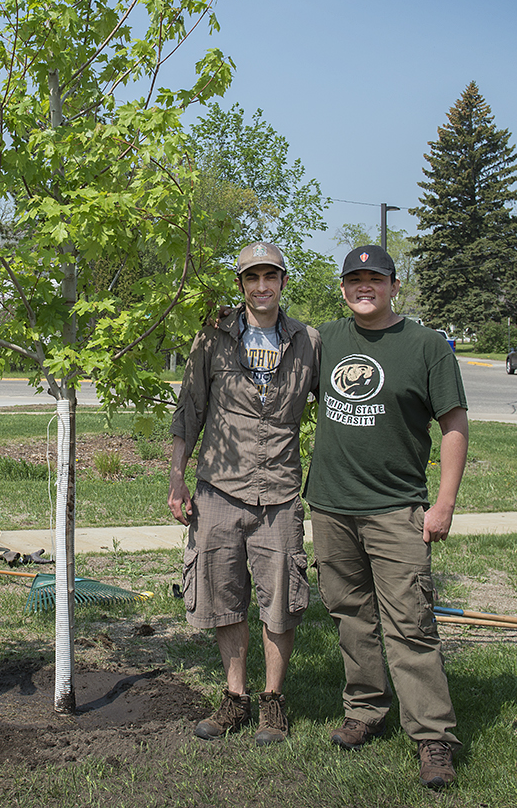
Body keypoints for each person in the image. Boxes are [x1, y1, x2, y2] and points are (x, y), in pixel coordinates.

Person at [303, 244, 468, 789]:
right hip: (330, 506)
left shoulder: (426, 346)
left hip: (397, 509)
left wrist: (442, 503)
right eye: (355, 279)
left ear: (395, 285)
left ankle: (432, 737)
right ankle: (365, 711)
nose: (364, 286)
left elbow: (454, 426)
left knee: (411, 624)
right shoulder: (324, 341)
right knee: (350, 614)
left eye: (375, 278)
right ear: (344, 287)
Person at [168, 241, 320, 745]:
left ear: (282, 282)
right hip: (219, 490)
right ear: (241, 285)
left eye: (270, 277)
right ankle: (235, 697)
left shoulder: (308, 342)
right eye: (252, 278)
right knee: (221, 594)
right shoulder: (212, 338)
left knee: (281, 599)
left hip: (279, 491)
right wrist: (176, 477)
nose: (261, 286)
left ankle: (272, 703)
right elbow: (189, 410)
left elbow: (344, 405)